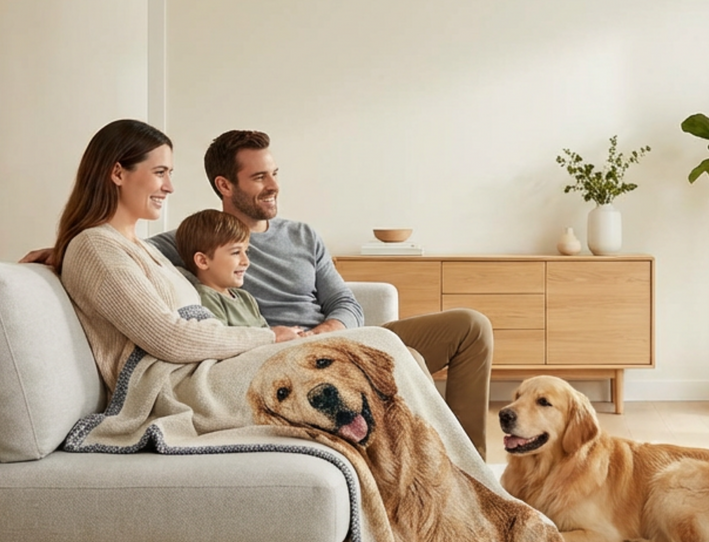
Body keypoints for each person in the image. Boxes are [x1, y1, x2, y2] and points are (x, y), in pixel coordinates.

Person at [148, 130, 493, 458]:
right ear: (224, 185)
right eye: (259, 178)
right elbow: (124, 250)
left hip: (341, 341)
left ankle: (471, 460)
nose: (274, 186)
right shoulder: (194, 241)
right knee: (410, 362)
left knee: (470, 326)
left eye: (274, 173)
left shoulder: (303, 235)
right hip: (291, 359)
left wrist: (328, 329)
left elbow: (345, 303)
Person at [51, 119, 300, 397]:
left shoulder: (142, 249)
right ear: (118, 173)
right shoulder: (95, 246)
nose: (169, 187)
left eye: (169, 173)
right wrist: (269, 337)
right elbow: (169, 339)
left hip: (210, 371)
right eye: (160, 172)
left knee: (352, 347)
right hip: (181, 388)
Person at [174, 208, 297, 338]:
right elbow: (221, 341)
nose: (246, 261)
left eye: (246, 252)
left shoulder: (245, 298)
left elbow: (266, 335)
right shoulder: (205, 298)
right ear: (203, 261)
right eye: (236, 252)